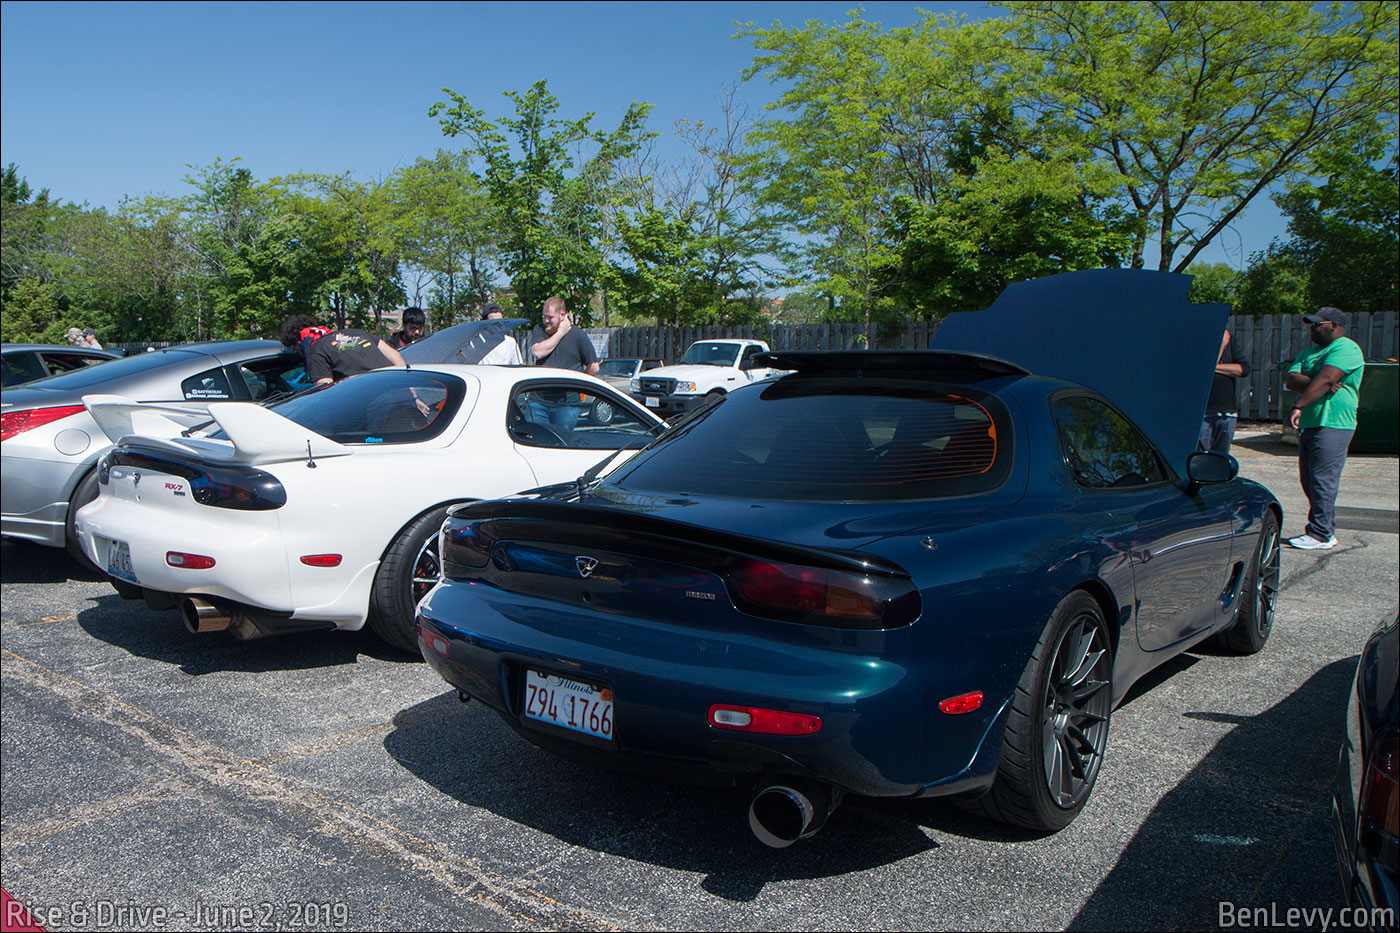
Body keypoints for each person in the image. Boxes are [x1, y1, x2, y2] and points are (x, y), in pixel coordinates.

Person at [1284, 307, 1365, 550]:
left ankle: (1319, 534)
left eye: (1318, 324)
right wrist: (1323, 384)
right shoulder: (1308, 352)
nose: (1312, 328)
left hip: (1334, 422)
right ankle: (1326, 529)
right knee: (1309, 480)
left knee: (1323, 479)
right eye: (1311, 325)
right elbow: (1292, 380)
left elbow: (1327, 377)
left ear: (1335, 325)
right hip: (1311, 422)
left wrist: (1301, 401)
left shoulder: (1346, 348)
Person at [524, 296, 598, 431]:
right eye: (544, 316)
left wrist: (580, 386)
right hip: (538, 401)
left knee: (561, 444)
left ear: (562, 315)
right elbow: (538, 352)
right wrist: (561, 333)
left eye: (550, 317)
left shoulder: (578, 335)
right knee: (535, 441)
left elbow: (593, 366)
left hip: (567, 404)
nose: (546, 321)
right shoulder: (539, 330)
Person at [278, 314, 407, 386]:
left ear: (299, 343)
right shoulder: (358, 332)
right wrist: (413, 394)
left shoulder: (315, 351)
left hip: (368, 403)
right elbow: (396, 357)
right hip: (396, 388)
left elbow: (325, 389)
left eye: (296, 349)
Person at [1200, 329, 1250, 455]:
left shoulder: (1231, 340)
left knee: (1221, 458)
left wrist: (1213, 367)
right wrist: (1221, 346)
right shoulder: (1200, 341)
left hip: (1226, 412)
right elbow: (1199, 371)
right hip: (1202, 414)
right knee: (1201, 457)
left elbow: (1243, 369)